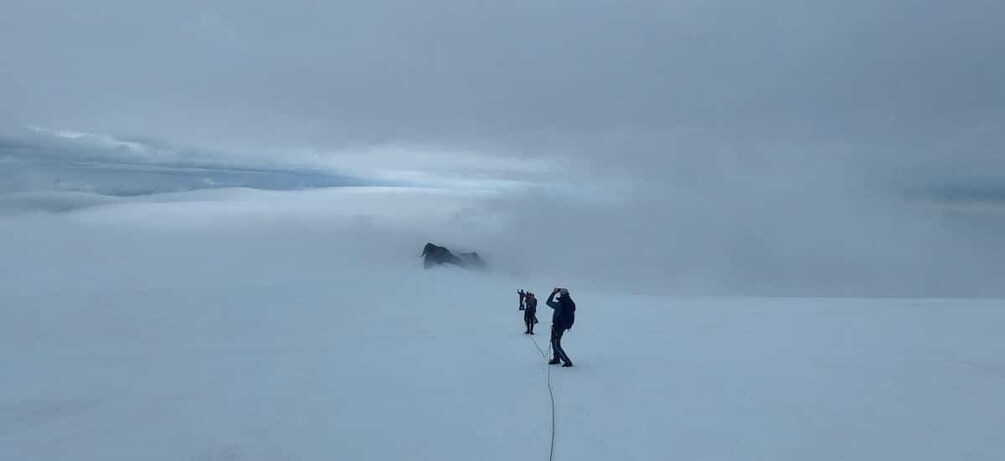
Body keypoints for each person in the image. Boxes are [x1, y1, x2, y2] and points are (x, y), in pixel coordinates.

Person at [546, 287, 575, 367]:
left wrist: (553, 292)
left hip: (558, 327)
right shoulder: (569, 303)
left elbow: (548, 302)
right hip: (562, 327)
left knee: (556, 344)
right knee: (554, 342)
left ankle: (567, 362)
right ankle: (556, 358)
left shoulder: (560, 304)